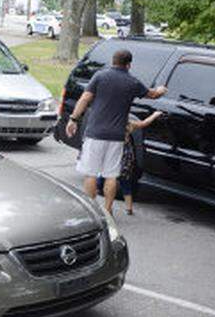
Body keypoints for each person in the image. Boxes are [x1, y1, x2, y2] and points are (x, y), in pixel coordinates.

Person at [65, 48, 166, 214]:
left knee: (90, 174)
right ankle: (107, 209)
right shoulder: (132, 82)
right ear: (129, 64)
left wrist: (73, 119)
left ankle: (92, 211)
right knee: (111, 176)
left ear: (113, 61)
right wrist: (161, 90)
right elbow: (153, 95)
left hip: (95, 134)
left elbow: (85, 98)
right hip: (117, 137)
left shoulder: (100, 76)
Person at [118, 112, 163, 215]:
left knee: (105, 180)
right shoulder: (129, 124)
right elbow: (144, 123)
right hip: (126, 159)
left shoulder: (111, 125)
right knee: (126, 184)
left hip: (114, 158)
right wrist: (155, 115)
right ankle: (129, 209)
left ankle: (106, 207)